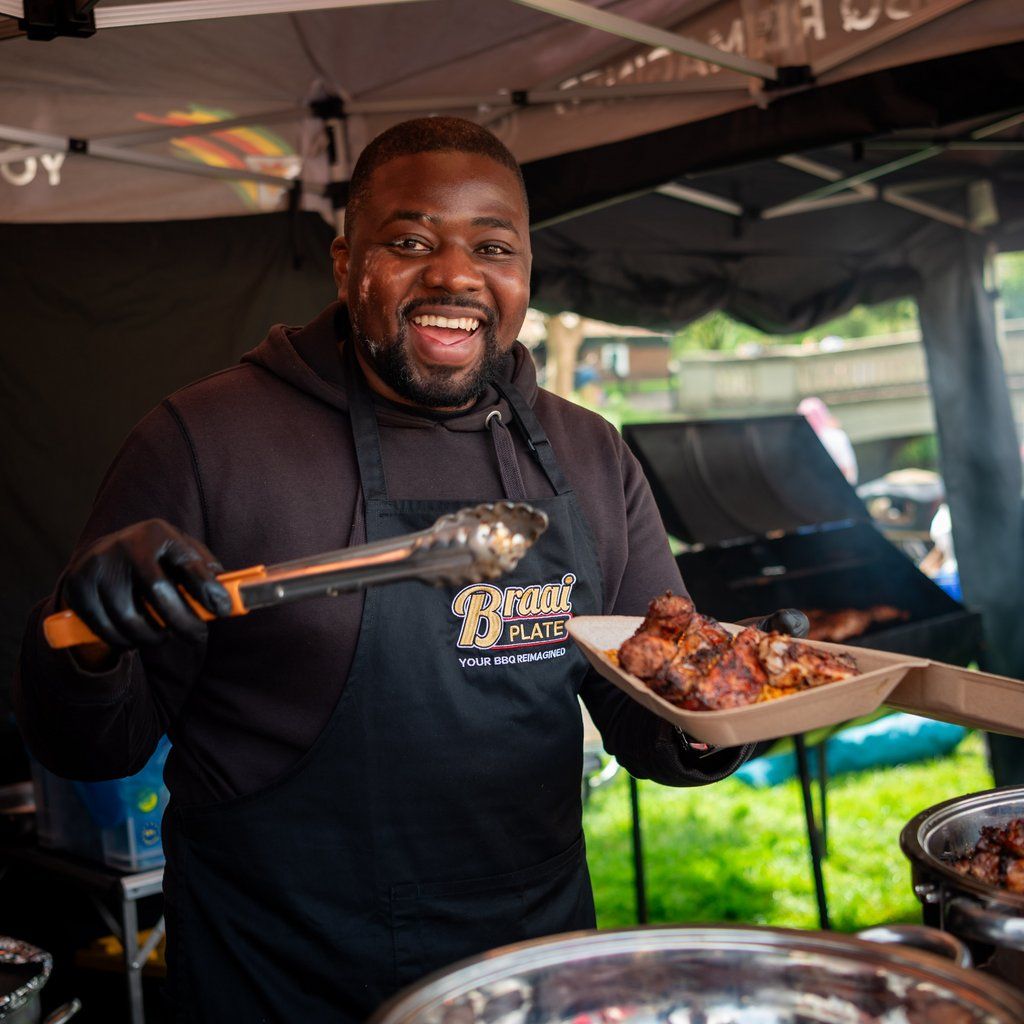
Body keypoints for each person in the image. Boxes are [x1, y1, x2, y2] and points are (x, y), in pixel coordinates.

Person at [15, 118, 804, 1024]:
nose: (456, 276)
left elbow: (645, 712)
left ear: (526, 271)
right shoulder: (205, 443)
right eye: (411, 242)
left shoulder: (589, 454)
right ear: (346, 263)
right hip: (277, 971)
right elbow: (90, 748)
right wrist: (86, 641)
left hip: (524, 965)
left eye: (493, 248)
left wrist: (721, 712)